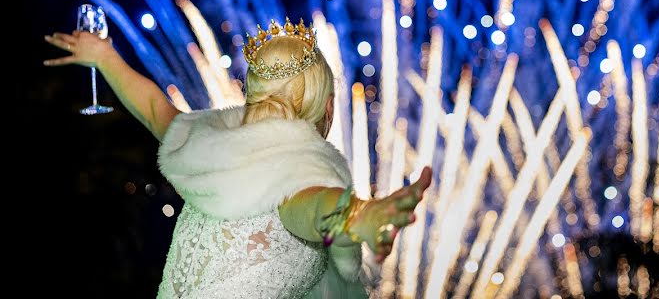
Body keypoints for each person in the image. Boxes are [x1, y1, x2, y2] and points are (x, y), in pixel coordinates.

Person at [44, 16, 431, 298]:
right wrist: (360, 215)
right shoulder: (302, 166)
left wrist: (106, 57)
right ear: (327, 106)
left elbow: (151, 108)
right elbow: (312, 206)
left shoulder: (207, 147)